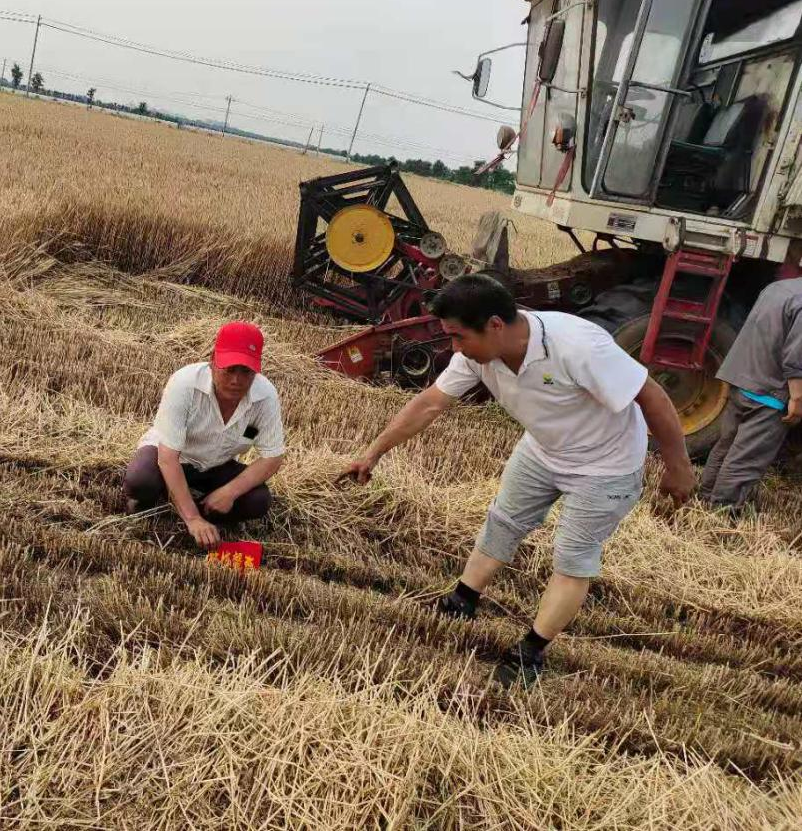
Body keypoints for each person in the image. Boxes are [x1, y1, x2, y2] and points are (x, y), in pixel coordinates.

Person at [341, 274, 694, 687]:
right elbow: (430, 404)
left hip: (605, 464)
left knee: (572, 556)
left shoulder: (577, 345)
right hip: (543, 449)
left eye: (459, 337)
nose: (455, 348)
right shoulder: (477, 355)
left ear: (494, 325)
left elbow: (651, 395)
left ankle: (531, 651)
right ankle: (463, 600)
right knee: (503, 521)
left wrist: (678, 466)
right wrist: (374, 452)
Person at [124, 321, 285, 550]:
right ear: (212, 360)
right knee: (141, 480)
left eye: (246, 372)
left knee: (258, 501)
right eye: (229, 369)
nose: (236, 380)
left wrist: (229, 492)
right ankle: (160, 504)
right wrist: (192, 519)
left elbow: (272, 456)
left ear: (257, 369)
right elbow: (168, 457)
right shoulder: (184, 384)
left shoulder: (265, 396)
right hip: (177, 456)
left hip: (218, 463)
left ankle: (206, 509)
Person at [699, 277, 802, 513]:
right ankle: (722, 514)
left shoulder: (778, 288)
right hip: (770, 393)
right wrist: (797, 399)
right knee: (746, 460)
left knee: (726, 448)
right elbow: (797, 359)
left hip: (743, 380)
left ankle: (704, 499)